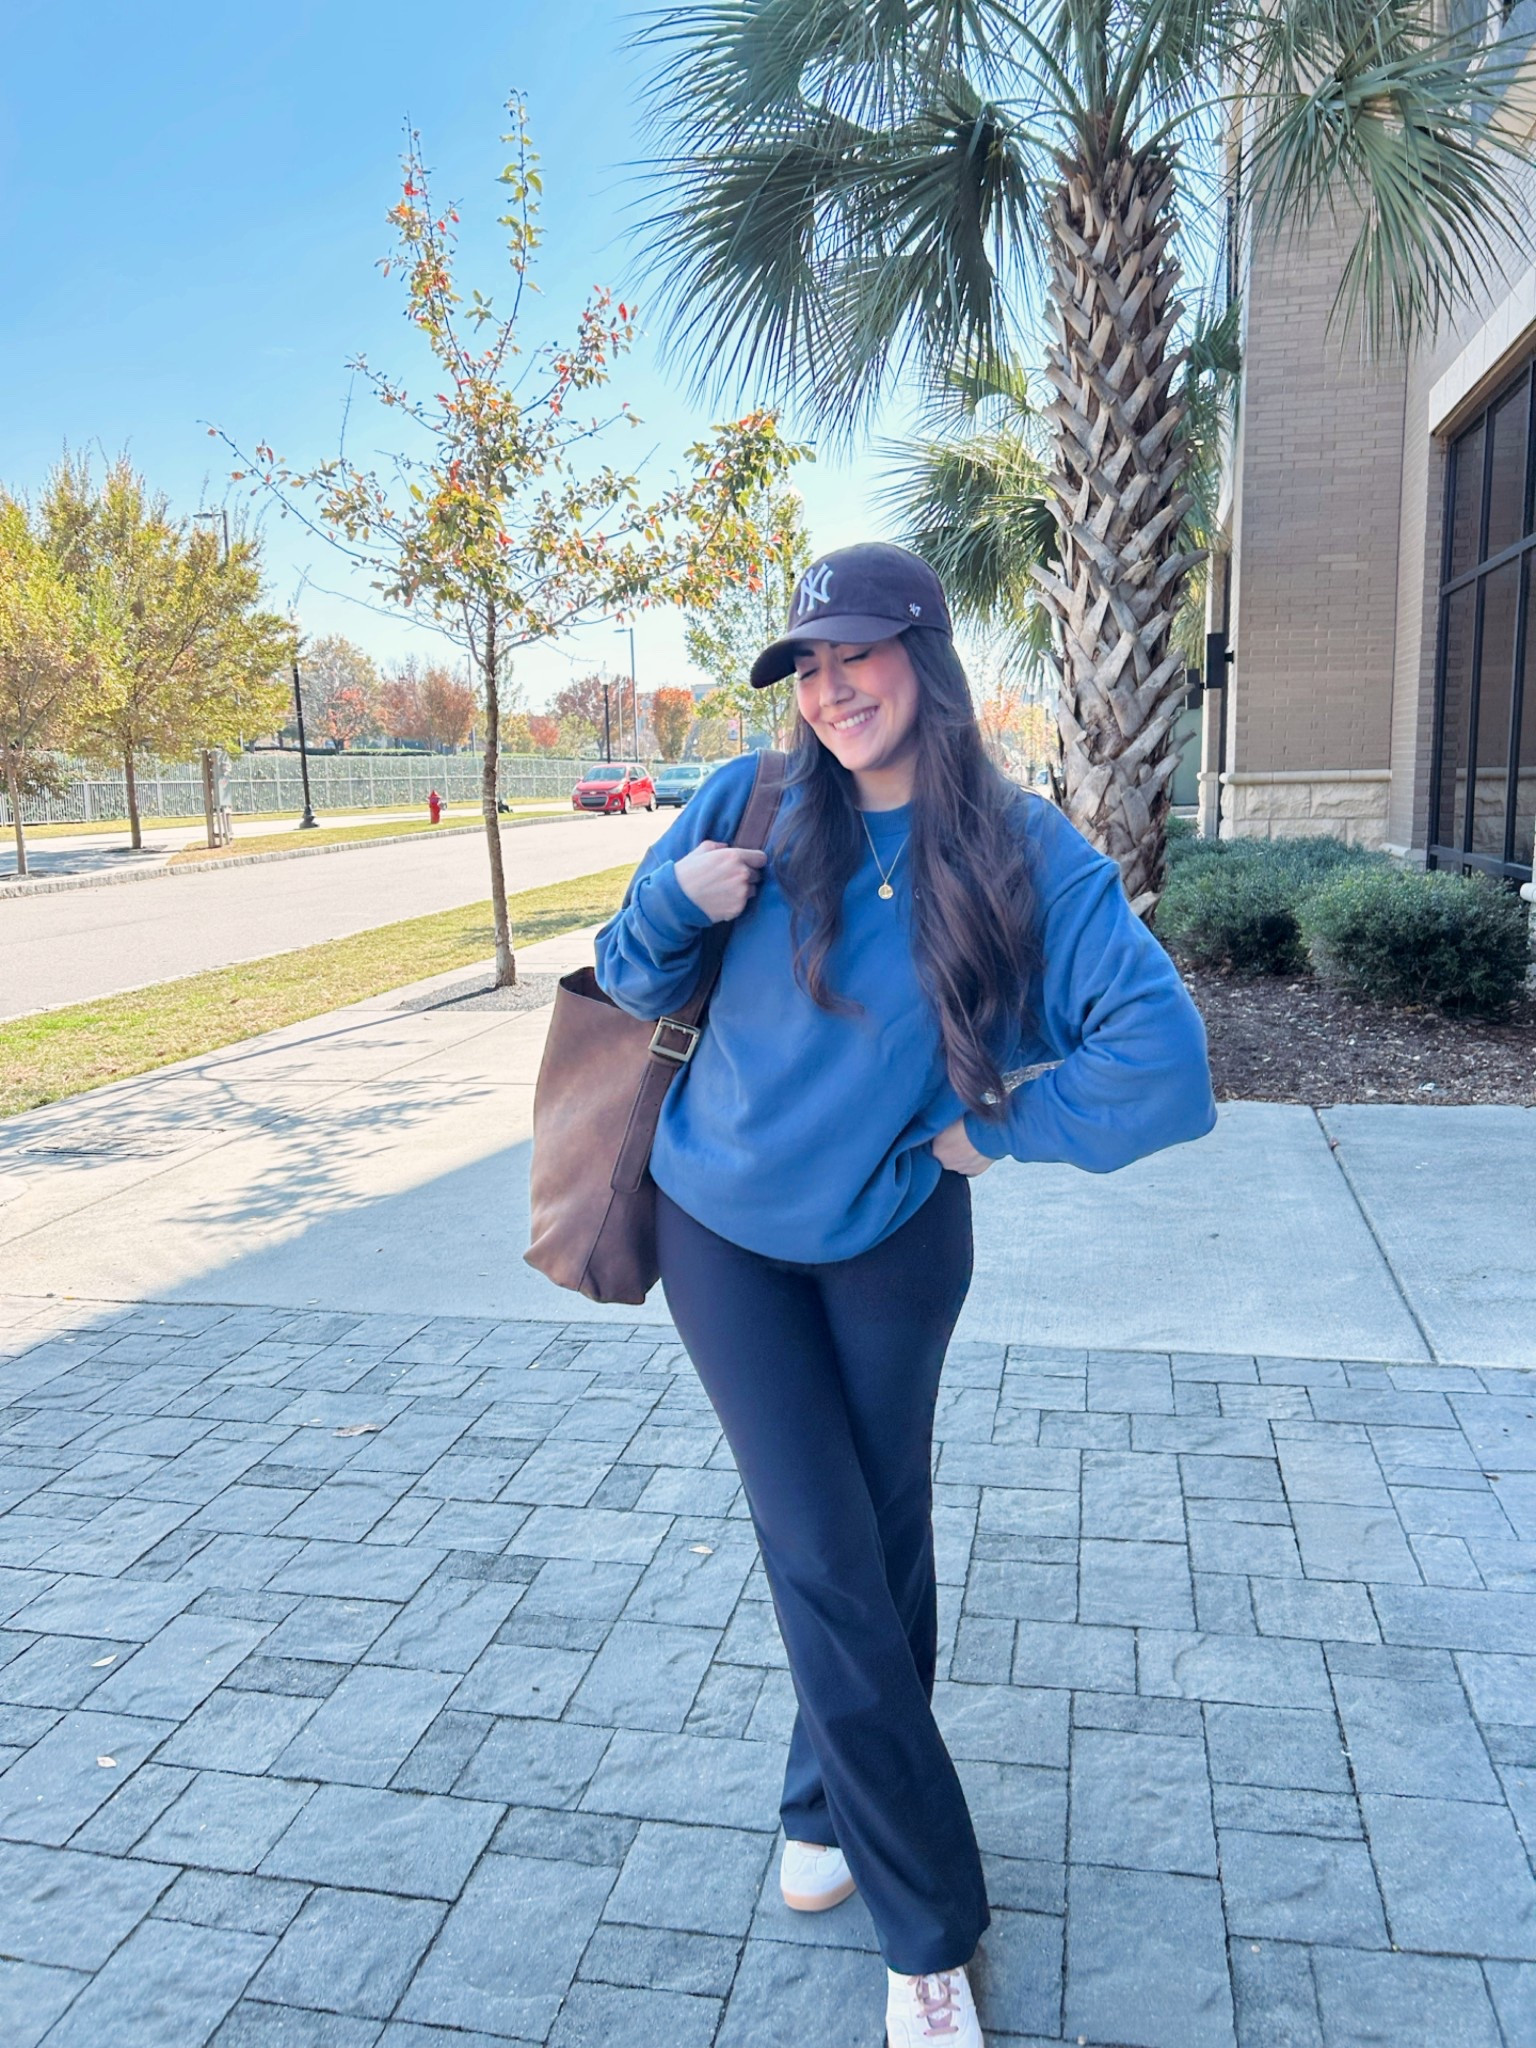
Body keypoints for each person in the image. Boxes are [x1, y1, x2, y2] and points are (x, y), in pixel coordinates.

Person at [593, 542, 1216, 2047]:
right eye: (806, 667)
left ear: (924, 659)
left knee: (880, 1534)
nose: (830, 690)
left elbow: (1165, 1062)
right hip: (721, 1232)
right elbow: (624, 976)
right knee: (821, 1548)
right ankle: (927, 1926)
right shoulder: (746, 802)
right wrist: (677, 897)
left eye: (855, 655)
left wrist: (995, 1127)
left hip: (894, 1239)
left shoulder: (1019, 847)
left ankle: (823, 1799)